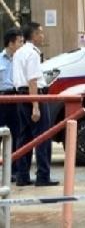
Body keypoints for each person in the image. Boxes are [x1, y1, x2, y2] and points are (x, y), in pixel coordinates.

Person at [14, 22, 58, 186]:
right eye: (40, 33)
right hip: (33, 96)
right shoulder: (32, 54)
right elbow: (32, 81)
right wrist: (35, 105)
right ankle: (43, 176)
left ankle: (22, 176)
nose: (42, 36)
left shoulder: (19, 52)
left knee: (24, 137)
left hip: (20, 96)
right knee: (43, 137)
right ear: (33, 35)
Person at [0, 28, 23, 181]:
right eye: (19, 42)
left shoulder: (21, 60)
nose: (22, 45)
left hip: (16, 98)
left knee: (16, 134)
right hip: (1, 99)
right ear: (11, 43)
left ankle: (14, 171)